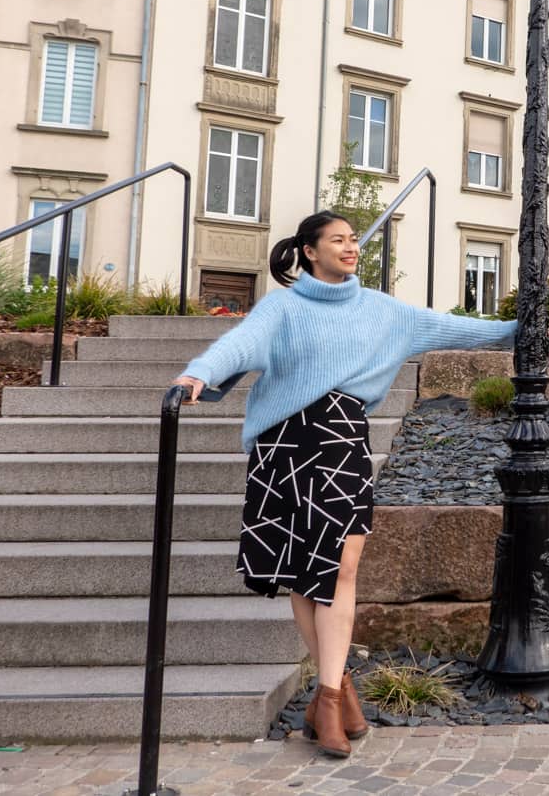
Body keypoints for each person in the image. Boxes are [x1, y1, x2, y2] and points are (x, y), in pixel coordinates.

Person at [171, 210, 515, 758]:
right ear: (309, 251)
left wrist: (523, 326)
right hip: (283, 446)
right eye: (337, 240)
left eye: (354, 240)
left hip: (342, 441)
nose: (350, 247)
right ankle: (335, 693)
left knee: (341, 567)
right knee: (304, 575)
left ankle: (328, 695)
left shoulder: (384, 312)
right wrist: (197, 374)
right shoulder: (282, 307)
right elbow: (239, 345)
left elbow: (460, 328)